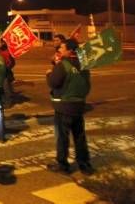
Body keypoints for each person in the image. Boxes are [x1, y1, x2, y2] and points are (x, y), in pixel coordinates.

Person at [46, 39, 94, 175]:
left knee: (62, 137)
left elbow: (53, 83)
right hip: (78, 106)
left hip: (64, 106)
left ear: (70, 51)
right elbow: (87, 87)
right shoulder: (84, 66)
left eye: (62, 47)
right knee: (79, 137)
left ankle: (62, 164)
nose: (59, 49)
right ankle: (84, 164)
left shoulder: (63, 65)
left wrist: (49, 73)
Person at [0, 39, 16, 107]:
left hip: (5, 73)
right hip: (0, 73)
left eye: (0, 43)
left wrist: (6, 68)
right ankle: (4, 101)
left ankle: (8, 102)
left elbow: (12, 63)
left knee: (6, 88)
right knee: (2, 88)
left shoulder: (7, 52)